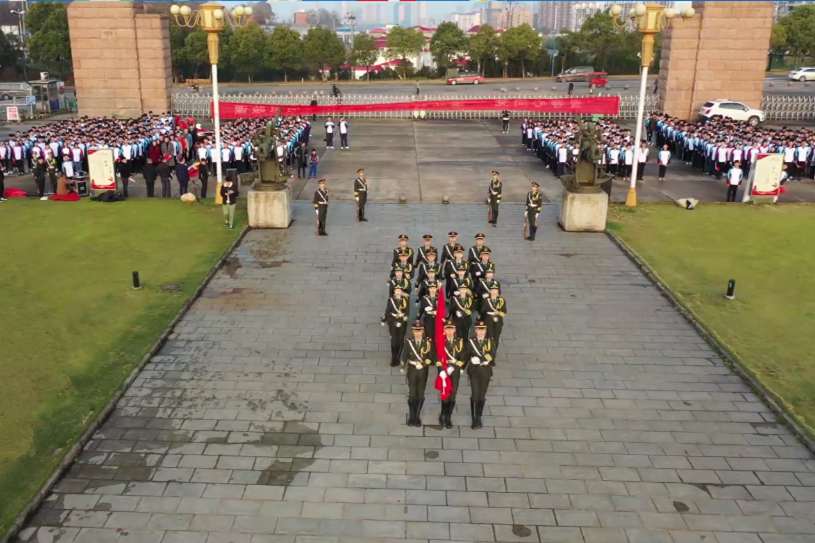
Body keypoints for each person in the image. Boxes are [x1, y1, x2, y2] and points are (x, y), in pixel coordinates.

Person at [400, 321, 434, 427]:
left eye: (419, 331)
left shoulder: (427, 342)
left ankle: (417, 415)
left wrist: (424, 363)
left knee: (420, 392)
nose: (417, 333)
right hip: (412, 369)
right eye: (416, 331)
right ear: (413, 332)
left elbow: (431, 356)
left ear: (422, 331)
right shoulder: (409, 342)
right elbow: (404, 354)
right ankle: (411, 415)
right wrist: (402, 365)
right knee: (412, 392)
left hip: (423, 369)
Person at [464, 321, 495, 429]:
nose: (481, 332)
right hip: (474, 371)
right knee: (475, 393)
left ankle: (479, 415)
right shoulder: (471, 342)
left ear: (485, 330)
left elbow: (492, 355)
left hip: (486, 371)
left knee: (482, 394)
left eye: (483, 329)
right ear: (476, 330)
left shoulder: (490, 342)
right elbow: (466, 355)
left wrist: (481, 359)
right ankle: (474, 419)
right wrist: (461, 368)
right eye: (479, 329)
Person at [437, 320, 464, 429]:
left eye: (451, 329)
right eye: (447, 329)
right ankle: (443, 414)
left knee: (453, 394)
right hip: (444, 370)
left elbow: (463, 355)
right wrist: (441, 370)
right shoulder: (441, 342)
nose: (449, 331)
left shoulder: (459, 341)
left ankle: (448, 417)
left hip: (455, 370)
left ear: (454, 330)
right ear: (444, 330)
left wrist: (458, 365)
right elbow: (437, 357)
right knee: (445, 394)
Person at [382, 284, 409, 367]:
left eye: (399, 290)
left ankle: (398, 356)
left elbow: (407, 311)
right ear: (394, 291)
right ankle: (394, 357)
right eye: (396, 290)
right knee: (394, 340)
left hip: (402, 321)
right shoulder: (391, 300)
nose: (398, 292)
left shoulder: (405, 299)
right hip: (393, 321)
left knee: (400, 339)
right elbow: (388, 310)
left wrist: (404, 316)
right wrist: (385, 319)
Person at [481, 281, 507, 355]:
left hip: (498, 319)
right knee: (490, 336)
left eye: (495, 290)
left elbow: (504, 311)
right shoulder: (486, 300)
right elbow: (483, 311)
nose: (494, 292)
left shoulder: (501, 300)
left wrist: (498, 313)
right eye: (492, 290)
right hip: (488, 319)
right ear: (490, 291)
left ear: (498, 291)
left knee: (496, 336)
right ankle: (489, 350)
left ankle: (494, 351)